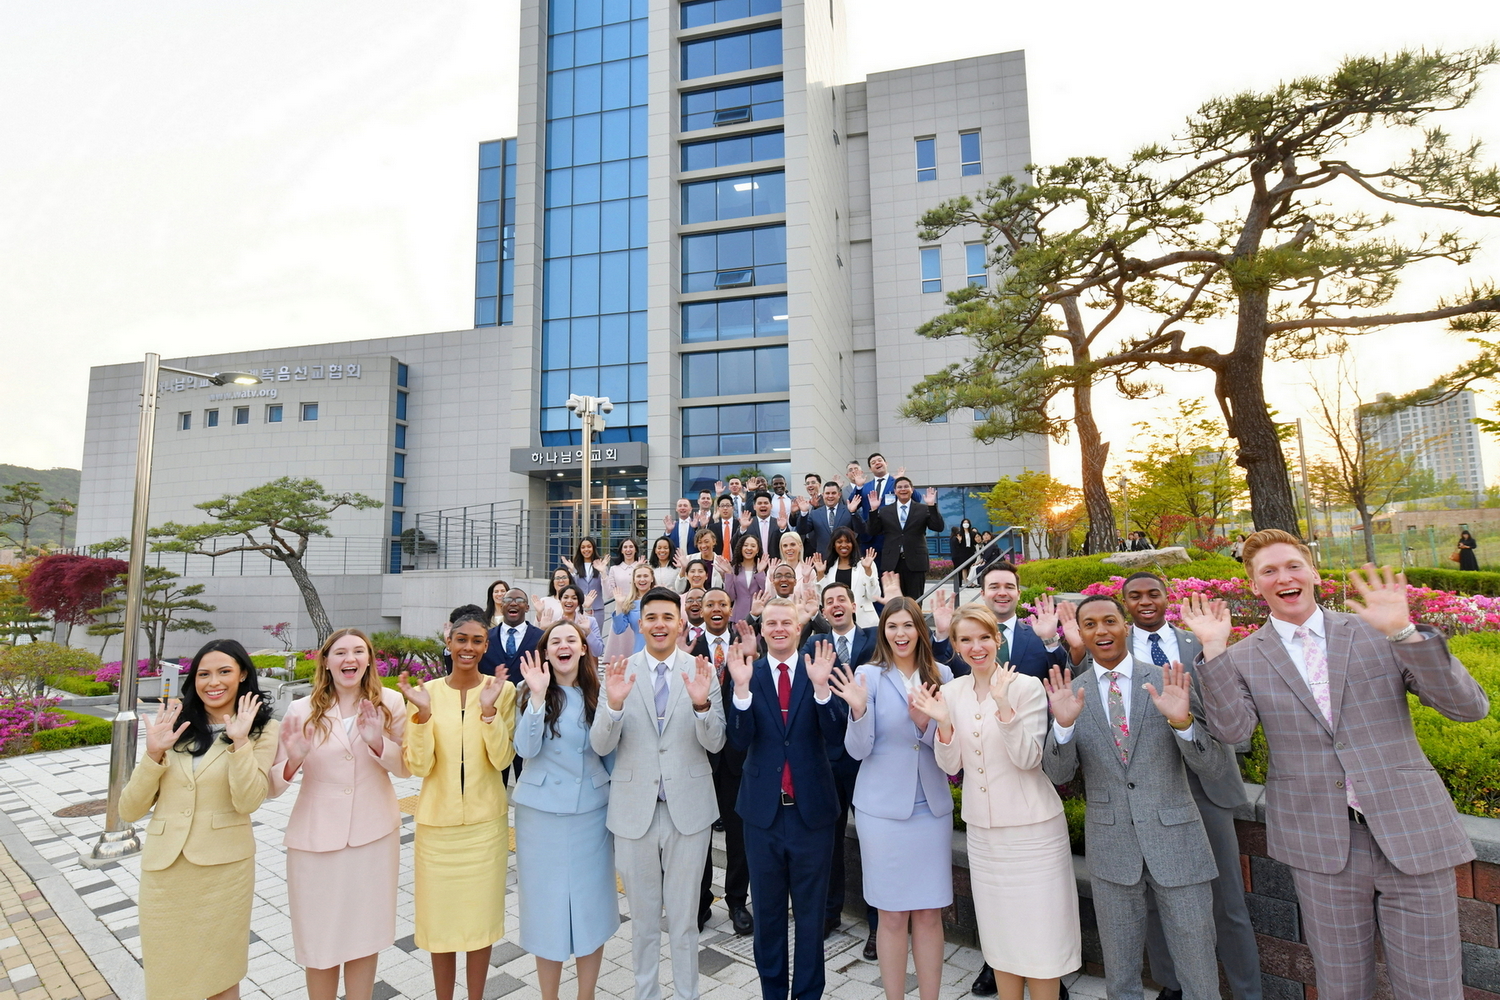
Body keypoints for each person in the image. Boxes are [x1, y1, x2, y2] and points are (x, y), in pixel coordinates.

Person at [1180, 531, 1490, 1000]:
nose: (1283, 577)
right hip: (1320, 844)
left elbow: (1468, 708)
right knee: (1342, 987)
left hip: (1412, 831)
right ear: (1254, 583)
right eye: (1268, 571)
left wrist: (1405, 633)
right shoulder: (1242, 657)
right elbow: (1232, 732)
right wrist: (1215, 650)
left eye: (1292, 566)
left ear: (1313, 572)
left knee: (1433, 988)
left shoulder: (1376, 632)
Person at [1041, 595, 1225, 1000]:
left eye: (1109, 621)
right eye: (1090, 624)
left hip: (1178, 844)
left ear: (1126, 626)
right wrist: (1064, 728)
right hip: (1112, 850)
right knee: (1121, 974)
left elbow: (1212, 766)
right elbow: (1058, 774)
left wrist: (1183, 723)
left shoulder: (1168, 679)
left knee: (1198, 967)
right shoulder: (1071, 693)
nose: (1101, 631)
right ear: (1081, 633)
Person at [1096, 573, 1260, 1000]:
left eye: (1153, 594)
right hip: (1147, 792)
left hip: (1204, 783)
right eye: (1135, 596)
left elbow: (1234, 714)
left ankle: (1245, 992)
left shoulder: (1201, 642)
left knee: (1226, 902)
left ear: (1168, 598)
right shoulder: (1111, 647)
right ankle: (1172, 985)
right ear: (1124, 603)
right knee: (1151, 898)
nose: (1145, 602)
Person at [918, 604, 1079, 1000]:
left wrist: (1004, 706)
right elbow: (951, 765)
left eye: (984, 637)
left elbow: (1028, 759)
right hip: (984, 835)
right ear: (954, 645)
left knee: (1040, 939)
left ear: (998, 639)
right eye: (966, 639)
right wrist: (942, 722)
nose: (977, 647)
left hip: (1033, 832)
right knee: (1000, 938)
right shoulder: (952, 692)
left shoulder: (1025, 687)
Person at [120, 638, 278, 1000]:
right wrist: (154, 755)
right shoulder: (175, 723)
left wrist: (240, 743)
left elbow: (248, 800)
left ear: (242, 676)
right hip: (165, 873)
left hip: (224, 872)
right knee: (167, 977)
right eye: (204, 673)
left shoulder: (263, 728)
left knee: (220, 973)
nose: (214, 682)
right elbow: (129, 810)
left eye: (224, 671)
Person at [590, 588, 726, 1000]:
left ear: (681, 622)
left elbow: (717, 742)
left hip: (689, 810)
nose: (660, 624)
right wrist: (613, 706)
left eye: (668, 616)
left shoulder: (701, 670)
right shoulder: (617, 669)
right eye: (651, 617)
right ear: (640, 623)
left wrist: (702, 707)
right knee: (644, 921)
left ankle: (688, 994)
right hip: (634, 813)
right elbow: (600, 745)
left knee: (684, 922)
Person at [272, 628, 409, 1000]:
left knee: (364, 936)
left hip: (374, 833)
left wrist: (378, 741)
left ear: (369, 660)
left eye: (359, 652)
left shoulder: (391, 704)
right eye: (341, 653)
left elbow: (406, 767)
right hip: (315, 838)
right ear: (326, 661)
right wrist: (295, 759)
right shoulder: (300, 710)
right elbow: (271, 785)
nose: (350, 659)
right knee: (319, 939)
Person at [832, 597, 954, 1000]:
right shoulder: (866, 676)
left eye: (907, 625)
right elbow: (858, 751)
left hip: (932, 810)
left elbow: (955, 755)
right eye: (891, 626)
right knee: (892, 913)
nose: (900, 634)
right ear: (882, 632)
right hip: (881, 812)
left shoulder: (946, 675)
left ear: (920, 629)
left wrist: (926, 726)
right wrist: (859, 711)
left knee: (929, 912)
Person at [725, 600, 847, 1000]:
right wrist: (740, 690)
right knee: (769, 915)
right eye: (771, 622)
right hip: (762, 816)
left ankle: (808, 994)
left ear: (800, 628)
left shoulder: (818, 670)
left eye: (786, 622)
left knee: (811, 918)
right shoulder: (748, 672)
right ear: (762, 630)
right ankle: (773, 993)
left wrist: (823, 689)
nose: (779, 628)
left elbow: (836, 737)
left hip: (812, 814)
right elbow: (738, 743)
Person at [399, 607, 516, 1000]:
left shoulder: (504, 691)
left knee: (479, 922)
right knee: (440, 925)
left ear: (486, 645)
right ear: (448, 641)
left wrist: (488, 712)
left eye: (477, 641)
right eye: (461, 639)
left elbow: (501, 760)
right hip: (437, 829)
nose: (468, 648)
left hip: (485, 827)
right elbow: (419, 765)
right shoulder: (426, 694)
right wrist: (422, 717)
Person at [514, 622, 619, 1000]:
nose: (563, 646)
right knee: (547, 909)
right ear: (546, 652)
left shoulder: (600, 692)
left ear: (582, 649)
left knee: (592, 906)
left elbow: (610, 753)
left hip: (591, 812)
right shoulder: (527, 690)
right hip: (541, 816)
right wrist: (539, 699)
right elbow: (524, 751)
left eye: (570, 640)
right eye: (554, 641)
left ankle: (585, 994)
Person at [798, 582, 878, 942]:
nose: (835, 606)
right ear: (825, 611)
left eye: (840, 599)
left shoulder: (876, 639)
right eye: (828, 602)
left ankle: (879, 926)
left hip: (869, 758)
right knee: (827, 842)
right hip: (828, 758)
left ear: (853, 605)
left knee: (873, 842)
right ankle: (829, 914)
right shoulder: (813, 645)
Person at [690, 587, 753, 936]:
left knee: (738, 837)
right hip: (698, 755)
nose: (716, 609)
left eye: (722, 604)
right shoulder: (687, 647)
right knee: (698, 833)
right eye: (709, 603)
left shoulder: (746, 647)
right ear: (700, 609)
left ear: (731, 609)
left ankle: (737, 902)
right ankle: (700, 902)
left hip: (738, 758)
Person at [934, 562, 1067, 681]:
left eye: (1009, 587)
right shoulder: (962, 639)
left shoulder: (1039, 637)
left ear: (1018, 593)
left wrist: (1050, 640)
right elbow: (936, 675)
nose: (1002, 593)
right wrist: (942, 635)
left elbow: (1062, 678)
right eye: (994, 587)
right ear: (983, 594)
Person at [866, 478, 944, 599]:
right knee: (894, 601)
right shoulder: (885, 511)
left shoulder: (923, 509)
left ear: (912, 490)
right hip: (892, 562)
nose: (903, 489)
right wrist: (874, 511)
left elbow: (938, 527)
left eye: (906, 486)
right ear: (895, 491)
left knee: (915, 601)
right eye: (900, 487)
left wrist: (931, 506)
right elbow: (872, 531)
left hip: (916, 562)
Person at [812, 526, 881, 628]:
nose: (844, 545)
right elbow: (823, 601)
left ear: (853, 544)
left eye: (848, 541)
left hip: (865, 623)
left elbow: (874, 596)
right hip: (838, 623)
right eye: (839, 542)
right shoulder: (827, 567)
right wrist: (820, 574)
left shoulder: (865, 564)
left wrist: (868, 571)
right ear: (834, 545)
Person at [482, 588, 542, 682]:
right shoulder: (486, 637)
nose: (513, 603)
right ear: (501, 606)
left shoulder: (541, 637)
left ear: (527, 607)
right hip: (493, 694)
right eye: (508, 600)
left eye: (519, 600)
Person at [609, 562, 660, 657]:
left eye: (646, 576)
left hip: (661, 649)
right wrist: (619, 605)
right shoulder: (630, 603)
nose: (642, 579)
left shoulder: (660, 599)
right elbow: (618, 629)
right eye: (639, 576)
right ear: (634, 580)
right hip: (640, 651)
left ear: (652, 578)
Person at [724, 533, 768, 621]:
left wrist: (760, 572)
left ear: (757, 550)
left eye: (753, 546)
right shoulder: (734, 568)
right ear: (741, 548)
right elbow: (730, 597)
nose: (749, 548)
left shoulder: (763, 568)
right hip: (738, 617)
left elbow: (766, 593)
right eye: (745, 545)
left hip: (758, 618)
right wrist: (728, 573)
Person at [563, 538, 607, 619]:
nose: (586, 549)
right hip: (579, 609)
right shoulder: (575, 567)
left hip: (597, 609)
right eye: (583, 547)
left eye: (589, 546)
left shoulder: (601, 565)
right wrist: (573, 572)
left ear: (593, 548)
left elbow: (606, 590)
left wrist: (603, 572)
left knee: (596, 632)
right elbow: (573, 588)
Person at [556, 583, 604, 657]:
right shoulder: (555, 623)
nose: (569, 601)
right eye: (565, 597)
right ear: (560, 600)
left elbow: (598, 651)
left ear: (579, 603)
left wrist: (587, 631)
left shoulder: (590, 621)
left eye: (574, 598)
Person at [709, 495, 742, 561]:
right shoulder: (712, 527)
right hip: (718, 563)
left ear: (733, 507)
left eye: (728, 505)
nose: (725, 508)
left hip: (737, 562)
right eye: (722, 506)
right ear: (718, 509)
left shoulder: (740, 525)